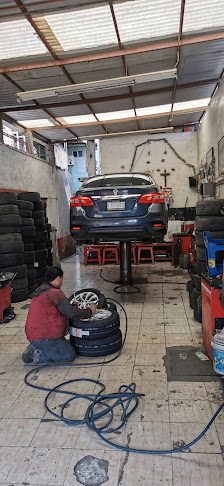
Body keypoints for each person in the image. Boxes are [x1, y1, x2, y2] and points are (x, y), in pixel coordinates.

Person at [22, 266, 97, 364]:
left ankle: (35, 346)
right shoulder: (55, 293)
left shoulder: (41, 290)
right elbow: (72, 313)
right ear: (58, 278)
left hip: (34, 334)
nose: (62, 282)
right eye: (62, 279)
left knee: (63, 347)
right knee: (69, 355)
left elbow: (58, 309)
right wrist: (90, 311)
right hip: (45, 336)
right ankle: (38, 355)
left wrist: (71, 306)